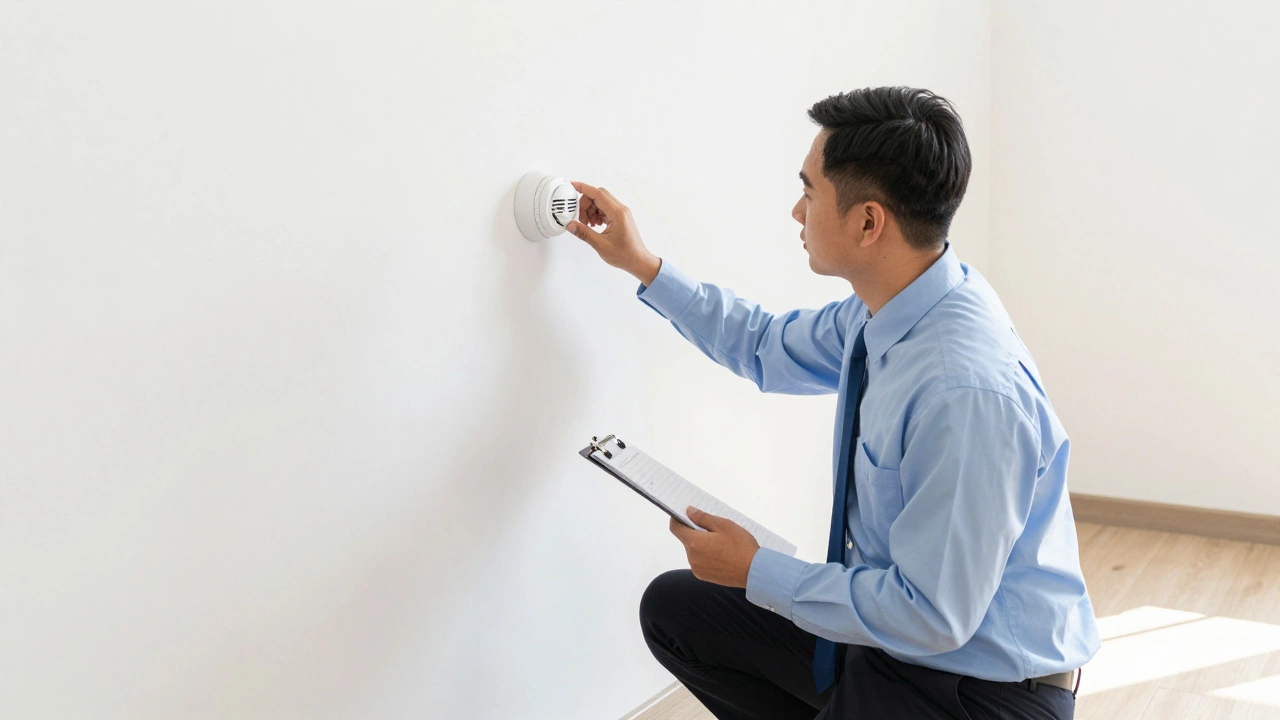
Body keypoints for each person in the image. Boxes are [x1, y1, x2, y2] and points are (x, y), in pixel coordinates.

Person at [566, 86, 1100, 720]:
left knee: (756, 590)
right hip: (897, 645)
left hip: (982, 692)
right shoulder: (893, 306)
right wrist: (641, 263)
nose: (796, 211)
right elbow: (762, 344)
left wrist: (757, 571)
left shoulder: (965, 393)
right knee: (677, 610)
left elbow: (933, 616)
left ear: (868, 222)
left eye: (809, 191)